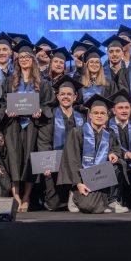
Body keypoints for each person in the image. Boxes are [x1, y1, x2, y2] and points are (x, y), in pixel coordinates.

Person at [2, 39, 54, 212]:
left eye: (27, 57)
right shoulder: (9, 81)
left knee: (30, 160)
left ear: (33, 59)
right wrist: (7, 110)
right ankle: (16, 195)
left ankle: (26, 197)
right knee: (14, 159)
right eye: (21, 57)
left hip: (32, 125)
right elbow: (1, 103)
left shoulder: (43, 83)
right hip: (13, 125)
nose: (24, 60)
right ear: (17, 61)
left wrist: (40, 110)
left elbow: (49, 104)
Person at [58, 93, 126, 214]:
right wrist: (78, 183)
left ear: (107, 116)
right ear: (90, 115)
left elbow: (117, 149)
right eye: (96, 113)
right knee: (90, 206)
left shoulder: (109, 133)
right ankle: (74, 195)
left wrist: (113, 153)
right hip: (82, 178)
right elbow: (72, 160)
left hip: (100, 177)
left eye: (102, 113)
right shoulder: (77, 132)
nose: (99, 116)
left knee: (119, 165)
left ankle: (112, 200)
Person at [37, 75, 86, 211]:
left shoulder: (82, 118)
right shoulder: (49, 116)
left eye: (69, 94)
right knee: (53, 205)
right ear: (57, 96)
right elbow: (44, 142)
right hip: (56, 164)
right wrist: (46, 164)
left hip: (76, 164)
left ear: (75, 97)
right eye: (62, 94)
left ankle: (74, 193)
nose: (65, 97)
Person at [108, 89, 131, 209]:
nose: (124, 111)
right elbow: (108, 149)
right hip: (117, 167)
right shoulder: (107, 126)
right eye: (120, 108)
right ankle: (113, 199)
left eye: (127, 108)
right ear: (114, 110)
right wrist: (127, 154)